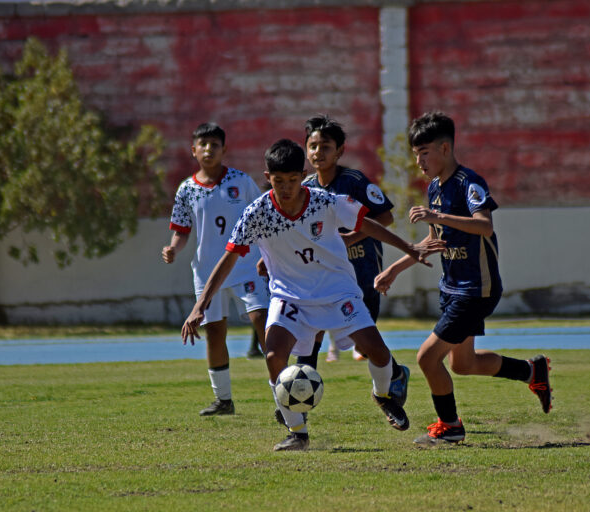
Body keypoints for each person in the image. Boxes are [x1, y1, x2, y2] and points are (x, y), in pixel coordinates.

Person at [182, 139, 446, 451]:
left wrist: (410, 248)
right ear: (268, 177)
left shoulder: (325, 201)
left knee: (376, 351)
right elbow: (227, 260)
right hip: (290, 297)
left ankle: (383, 393)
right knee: (273, 355)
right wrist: (200, 305)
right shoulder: (257, 212)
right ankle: (298, 433)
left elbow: (370, 224)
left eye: (293, 180)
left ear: (302, 175)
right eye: (278, 181)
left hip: (336, 291)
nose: (286, 188)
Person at [374, 112, 552, 446]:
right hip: (452, 287)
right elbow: (434, 240)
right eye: (415, 154)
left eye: (424, 152)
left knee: (427, 357)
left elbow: (484, 225)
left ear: (445, 148)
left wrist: (437, 215)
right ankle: (532, 371)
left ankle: (450, 426)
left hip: (476, 288)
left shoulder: (469, 183)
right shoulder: (433, 188)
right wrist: (394, 269)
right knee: (463, 363)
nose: (419, 160)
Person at [163, 122, 269, 416]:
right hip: (207, 273)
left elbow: (261, 217)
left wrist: (267, 255)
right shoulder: (186, 189)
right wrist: (174, 247)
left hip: (246, 266)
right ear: (193, 150)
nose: (208, 149)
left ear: (225, 149)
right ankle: (223, 400)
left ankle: (282, 393)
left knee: (262, 321)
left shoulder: (241, 181)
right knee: (215, 333)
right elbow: (182, 230)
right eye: (203, 144)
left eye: (215, 144)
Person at [299, 114, 395, 364]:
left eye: (326, 146)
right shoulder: (305, 188)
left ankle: (394, 376)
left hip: (363, 274)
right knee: (312, 331)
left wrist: (352, 238)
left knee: (367, 349)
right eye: (313, 146)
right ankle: (300, 389)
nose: (318, 152)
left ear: (340, 151)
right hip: (324, 276)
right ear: (306, 149)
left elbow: (385, 217)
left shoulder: (354, 182)